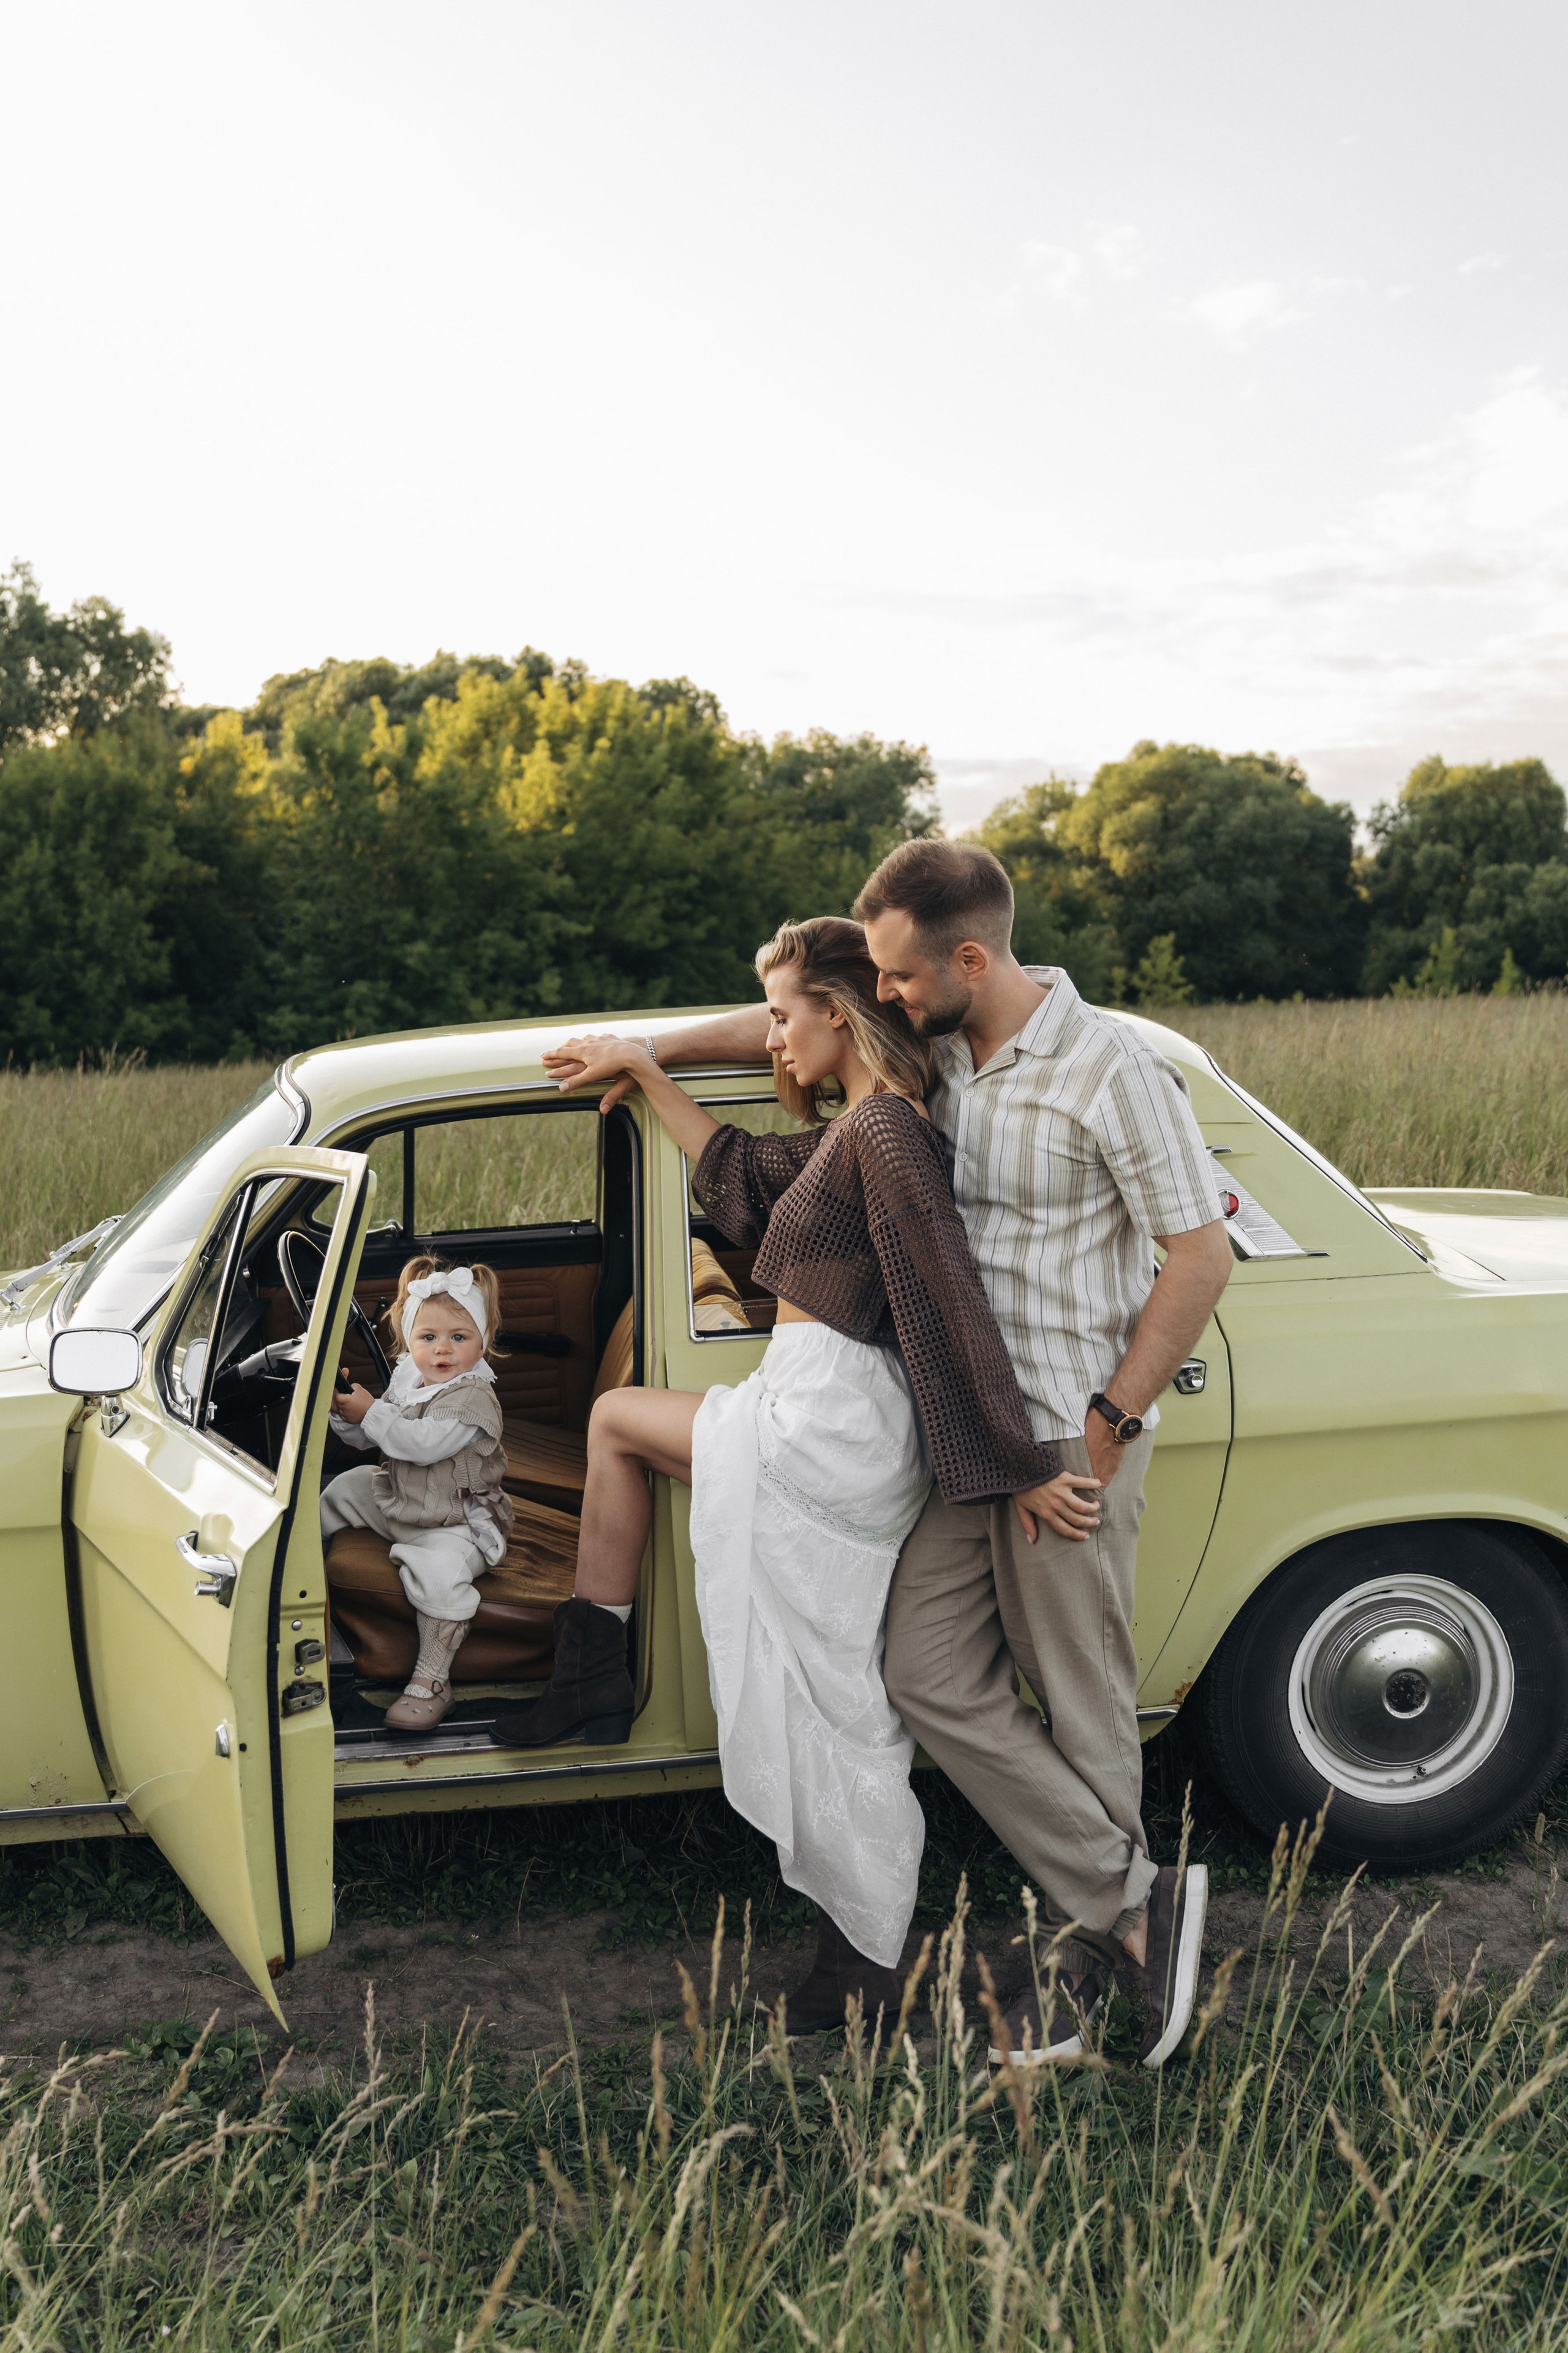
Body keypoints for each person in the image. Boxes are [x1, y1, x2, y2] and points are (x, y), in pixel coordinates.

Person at [597, 844, 1233, 2070]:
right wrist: (655, 1052)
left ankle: (1102, 1954)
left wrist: (1106, 1427)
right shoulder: (939, 1040)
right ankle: (1128, 1898)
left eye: (897, 973)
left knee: (1080, 1696)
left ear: (967, 959)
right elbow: (802, 1010)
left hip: (1062, 1434)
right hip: (966, 1434)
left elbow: (1195, 1257)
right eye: (875, 979)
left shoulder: (1112, 1071)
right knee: (922, 1668)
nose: (882, 993)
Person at [495, 916, 1098, 2033]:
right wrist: (646, 1056)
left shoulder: (887, 1135)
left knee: (819, 1679)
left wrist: (1014, 1466)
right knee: (834, 1697)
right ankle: (854, 1963)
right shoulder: (862, 1126)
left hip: (828, 1425)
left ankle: (592, 1673)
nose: (767, 1038)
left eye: (783, 1017)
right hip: (813, 1405)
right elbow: (734, 1167)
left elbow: (948, 1302)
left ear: (841, 1011)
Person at [322, 1258, 514, 1732]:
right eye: (428, 1338)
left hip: (457, 1520)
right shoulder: (410, 1377)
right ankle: (297, 1580)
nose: (442, 1350)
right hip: (404, 1502)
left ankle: (432, 1680)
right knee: (345, 1487)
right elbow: (373, 1438)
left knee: (441, 1574)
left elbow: (419, 1444)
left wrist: (372, 1413)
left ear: (483, 1340)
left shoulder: (472, 1398)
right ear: (410, 1339)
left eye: (459, 1337)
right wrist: (346, 1412)